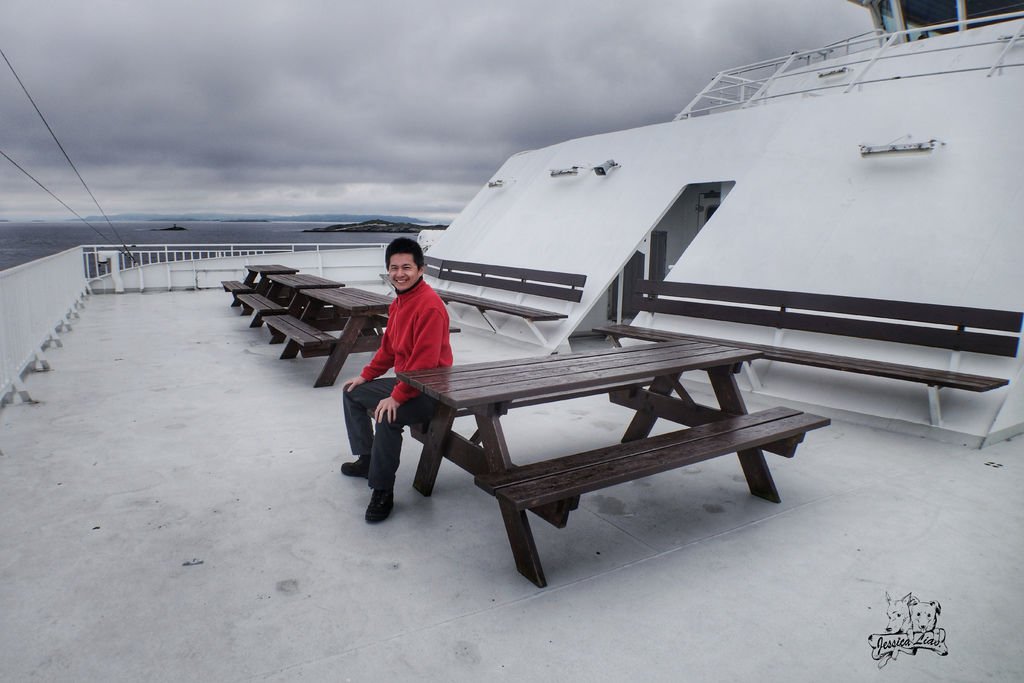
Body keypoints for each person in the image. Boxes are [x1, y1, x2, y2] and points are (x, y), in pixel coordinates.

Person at [339, 237, 453, 522]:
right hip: (409, 383)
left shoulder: (429, 306)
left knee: (387, 415)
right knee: (352, 391)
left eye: (406, 267)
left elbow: (425, 364)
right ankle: (367, 459)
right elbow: (389, 349)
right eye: (394, 268)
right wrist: (366, 376)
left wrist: (396, 396)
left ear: (421, 269)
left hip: (431, 390)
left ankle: (382, 490)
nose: (399, 274)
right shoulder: (399, 302)